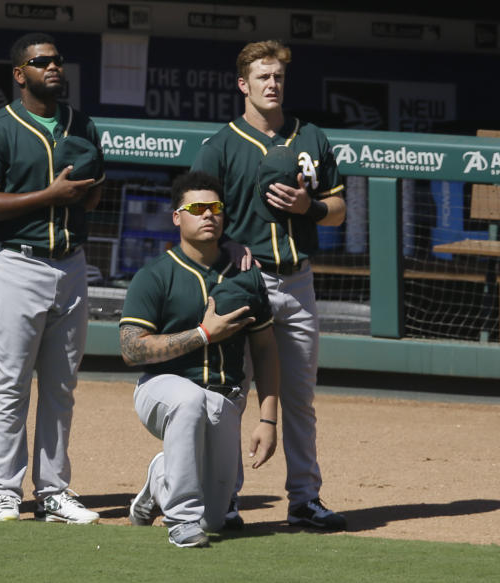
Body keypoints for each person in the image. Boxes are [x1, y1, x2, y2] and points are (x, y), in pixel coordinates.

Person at [191, 39, 347, 530]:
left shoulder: (311, 137)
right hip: (244, 282)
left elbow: (340, 211)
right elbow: (199, 214)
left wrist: (311, 208)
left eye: (278, 76)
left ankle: (304, 498)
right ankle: (228, 499)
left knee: (300, 397)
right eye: (262, 77)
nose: (272, 84)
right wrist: (227, 242)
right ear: (243, 84)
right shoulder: (220, 145)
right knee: (234, 394)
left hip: (297, 280)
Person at [0, 32, 104, 523]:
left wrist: (81, 193)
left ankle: (53, 491)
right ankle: (3, 488)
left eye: (58, 61)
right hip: (16, 264)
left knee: (62, 386)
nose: (54, 68)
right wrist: (49, 195)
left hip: (70, 263)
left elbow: (91, 197)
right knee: (12, 383)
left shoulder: (82, 125)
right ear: (20, 73)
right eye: (41, 61)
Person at [119, 171, 279, 548]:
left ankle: (160, 478)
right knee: (188, 400)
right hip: (161, 391)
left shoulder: (246, 277)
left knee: (216, 519)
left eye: (215, 208)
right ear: (177, 217)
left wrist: (269, 418)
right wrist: (203, 335)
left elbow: (266, 350)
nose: (208, 215)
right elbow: (130, 348)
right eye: (196, 208)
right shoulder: (155, 275)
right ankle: (180, 521)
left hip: (223, 398)